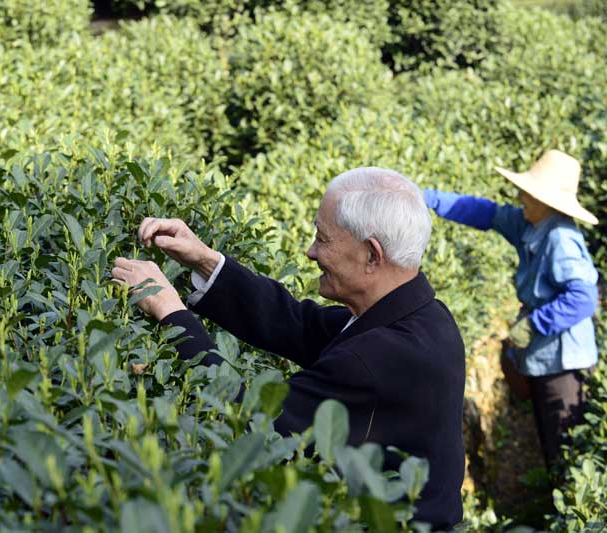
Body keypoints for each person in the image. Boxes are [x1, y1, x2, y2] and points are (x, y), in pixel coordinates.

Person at [111, 167, 465, 529]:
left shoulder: (380, 359)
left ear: (372, 255)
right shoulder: (420, 314)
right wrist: (204, 258)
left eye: (323, 239)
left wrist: (170, 312)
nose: (311, 252)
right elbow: (299, 324)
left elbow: (254, 422)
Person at [423, 149, 599, 470]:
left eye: (529, 192)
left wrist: (534, 325)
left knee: (564, 448)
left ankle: (562, 512)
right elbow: (484, 213)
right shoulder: (529, 224)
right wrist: (427, 198)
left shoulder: (560, 238)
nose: (521, 196)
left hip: (564, 363)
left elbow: (583, 298)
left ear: (547, 201)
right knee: (550, 437)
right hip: (547, 356)